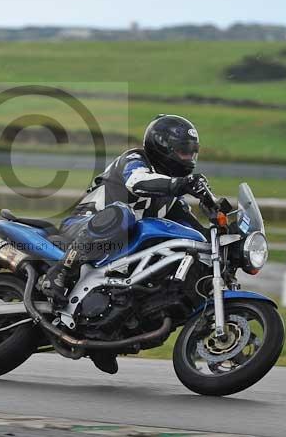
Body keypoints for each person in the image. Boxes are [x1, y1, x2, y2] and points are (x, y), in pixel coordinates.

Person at [40, 114, 213, 374]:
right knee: (123, 213)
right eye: (182, 151)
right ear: (162, 146)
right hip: (84, 227)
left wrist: (226, 240)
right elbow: (138, 182)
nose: (188, 158)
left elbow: (197, 232)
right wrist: (181, 184)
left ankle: (106, 339)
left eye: (191, 153)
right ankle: (60, 274)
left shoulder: (173, 199)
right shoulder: (135, 159)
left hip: (119, 252)